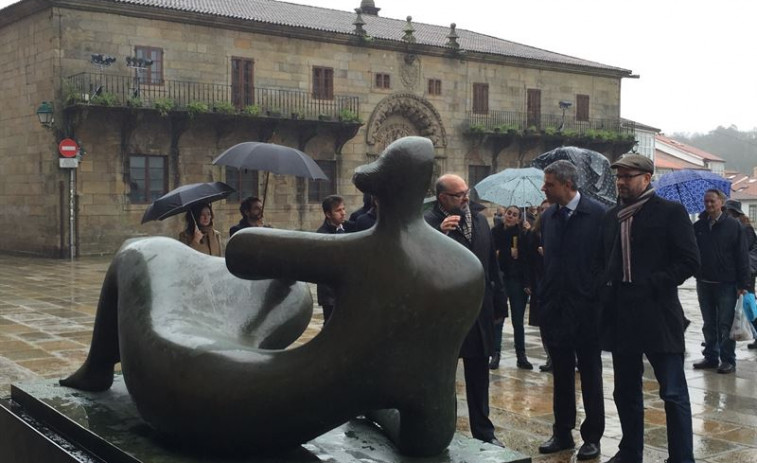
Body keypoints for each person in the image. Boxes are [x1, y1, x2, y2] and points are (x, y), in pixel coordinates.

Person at [597, 154, 699, 463]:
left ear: (647, 177)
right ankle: (630, 451)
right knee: (625, 391)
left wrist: (655, 281)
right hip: (622, 314)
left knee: (672, 392)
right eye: (619, 176)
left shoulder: (670, 213)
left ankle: (681, 457)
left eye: (628, 176)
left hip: (658, 312)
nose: (622, 181)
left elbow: (690, 261)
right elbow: (603, 261)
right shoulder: (612, 216)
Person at [424, 173, 506, 447]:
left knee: (479, 374)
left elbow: (492, 267)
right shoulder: (427, 224)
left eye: (465, 192)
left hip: (479, 310)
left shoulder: (481, 221)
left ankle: (484, 431)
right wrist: (438, 234)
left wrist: (499, 304)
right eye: (458, 195)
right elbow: (419, 263)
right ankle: (441, 429)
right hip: (445, 313)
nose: (465, 198)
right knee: (442, 377)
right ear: (442, 198)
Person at [537, 160, 605, 461]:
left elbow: (606, 262)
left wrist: (592, 293)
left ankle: (592, 437)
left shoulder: (598, 215)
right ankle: (562, 432)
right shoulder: (549, 216)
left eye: (549, 184)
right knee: (561, 374)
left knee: (590, 374)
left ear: (567, 184)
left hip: (587, 309)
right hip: (556, 308)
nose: (544, 188)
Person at [692, 189, 749, 374]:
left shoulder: (734, 226)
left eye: (713, 201)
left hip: (727, 283)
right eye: (706, 201)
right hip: (704, 281)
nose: (709, 205)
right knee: (709, 323)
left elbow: (742, 256)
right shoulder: (699, 226)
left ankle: (728, 360)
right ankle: (711, 356)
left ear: (721, 203)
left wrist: (743, 284)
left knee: (725, 323)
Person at [490, 205, 532, 369]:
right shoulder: (495, 232)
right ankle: (495, 353)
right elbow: (493, 254)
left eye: (515, 215)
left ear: (518, 218)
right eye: (509, 213)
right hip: (500, 279)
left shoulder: (522, 234)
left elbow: (527, 258)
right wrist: (508, 253)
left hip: (517, 280)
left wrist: (528, 282)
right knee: (498, 318)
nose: (511, 217)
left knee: (518, 320)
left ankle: (521, 354)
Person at [316, 195, 355, 324]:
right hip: (330, 293)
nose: (343, 213)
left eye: (343, 209)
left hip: (347, 289)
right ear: (328, 214)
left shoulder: (350, 228)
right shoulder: (322, 235)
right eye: (338, 211)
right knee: (331, 325)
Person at [724, 199, 757, 348]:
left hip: (747, 272)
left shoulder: (745, 229)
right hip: (739, 271)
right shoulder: (735, 227)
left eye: (728, 212)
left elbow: (744, 251)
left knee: (749, 305)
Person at [525, 199, 552, 372]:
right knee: (543, 323)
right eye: (541, 209)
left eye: (547, 209)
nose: (544, 212)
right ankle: (550, 356)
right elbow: (527, 259)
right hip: (539, 282)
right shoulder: (534, 233)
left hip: (555, 283)